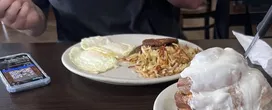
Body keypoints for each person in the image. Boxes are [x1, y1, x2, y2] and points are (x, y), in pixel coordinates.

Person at [0, 0, 204, 42]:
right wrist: (27, 20)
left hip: (162, 54)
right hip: (79, 58)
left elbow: (194, 2)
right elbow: (36, 22)